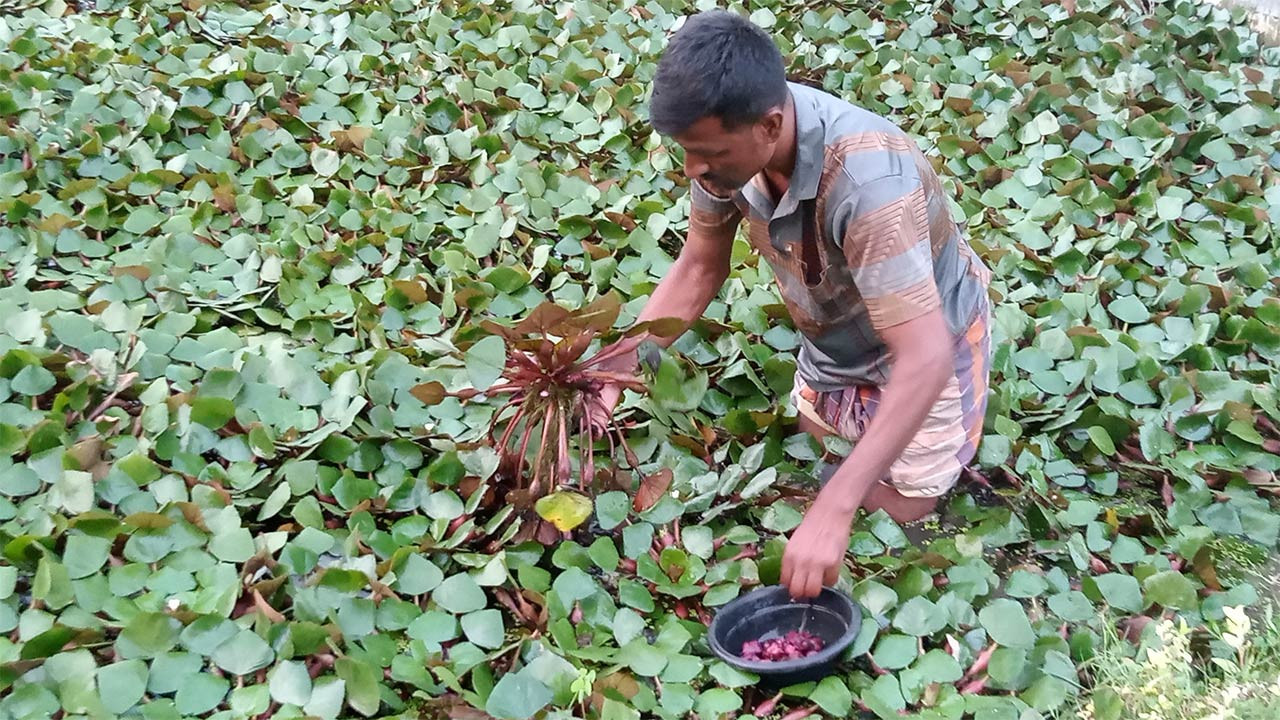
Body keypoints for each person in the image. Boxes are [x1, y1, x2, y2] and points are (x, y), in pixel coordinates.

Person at [593, 10, 993, 600]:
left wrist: (834, 509)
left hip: (929, 341)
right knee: (814, 442)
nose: (692, 170)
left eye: (705, 155)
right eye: (684, 152)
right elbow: (701, 265)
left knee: (902, 507)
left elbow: (925, 356)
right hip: (834, 335)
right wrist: (624, 360)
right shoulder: (726, 150)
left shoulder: (867, 184)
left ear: (770, 124)